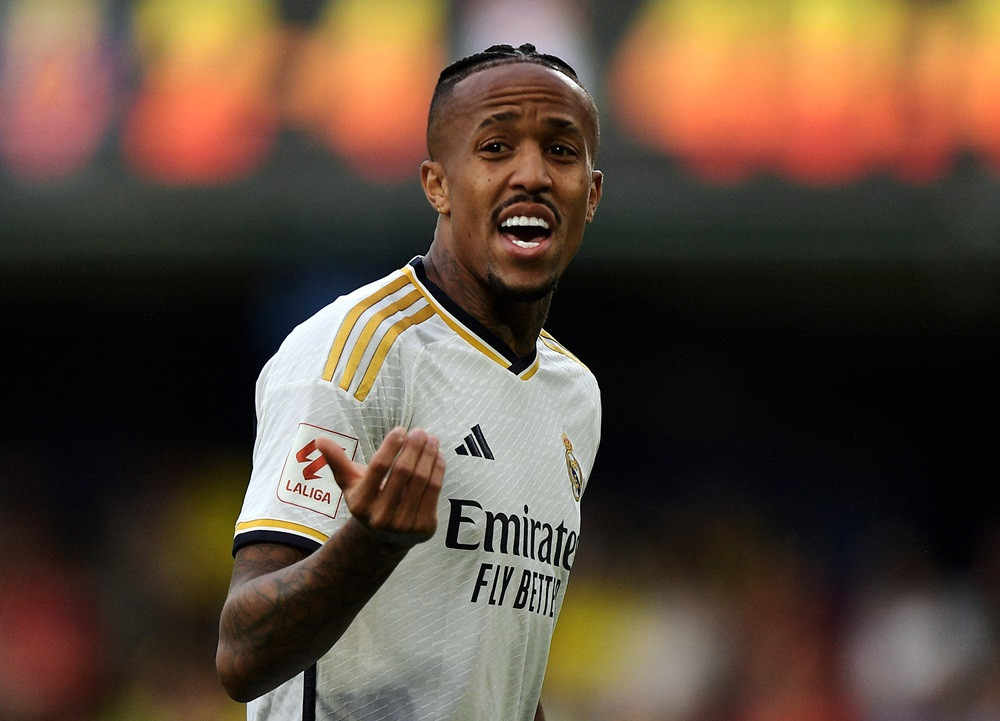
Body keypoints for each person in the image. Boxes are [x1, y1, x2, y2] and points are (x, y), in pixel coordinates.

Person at [216, 43, 604, 721]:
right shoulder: (353, 351)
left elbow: (497, 673)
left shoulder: (574, 393)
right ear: (437, 185)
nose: (532, 175)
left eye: (561, 151)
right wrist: (372, 544)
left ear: (591, 194)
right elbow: (242, 654)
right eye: (495, 148)